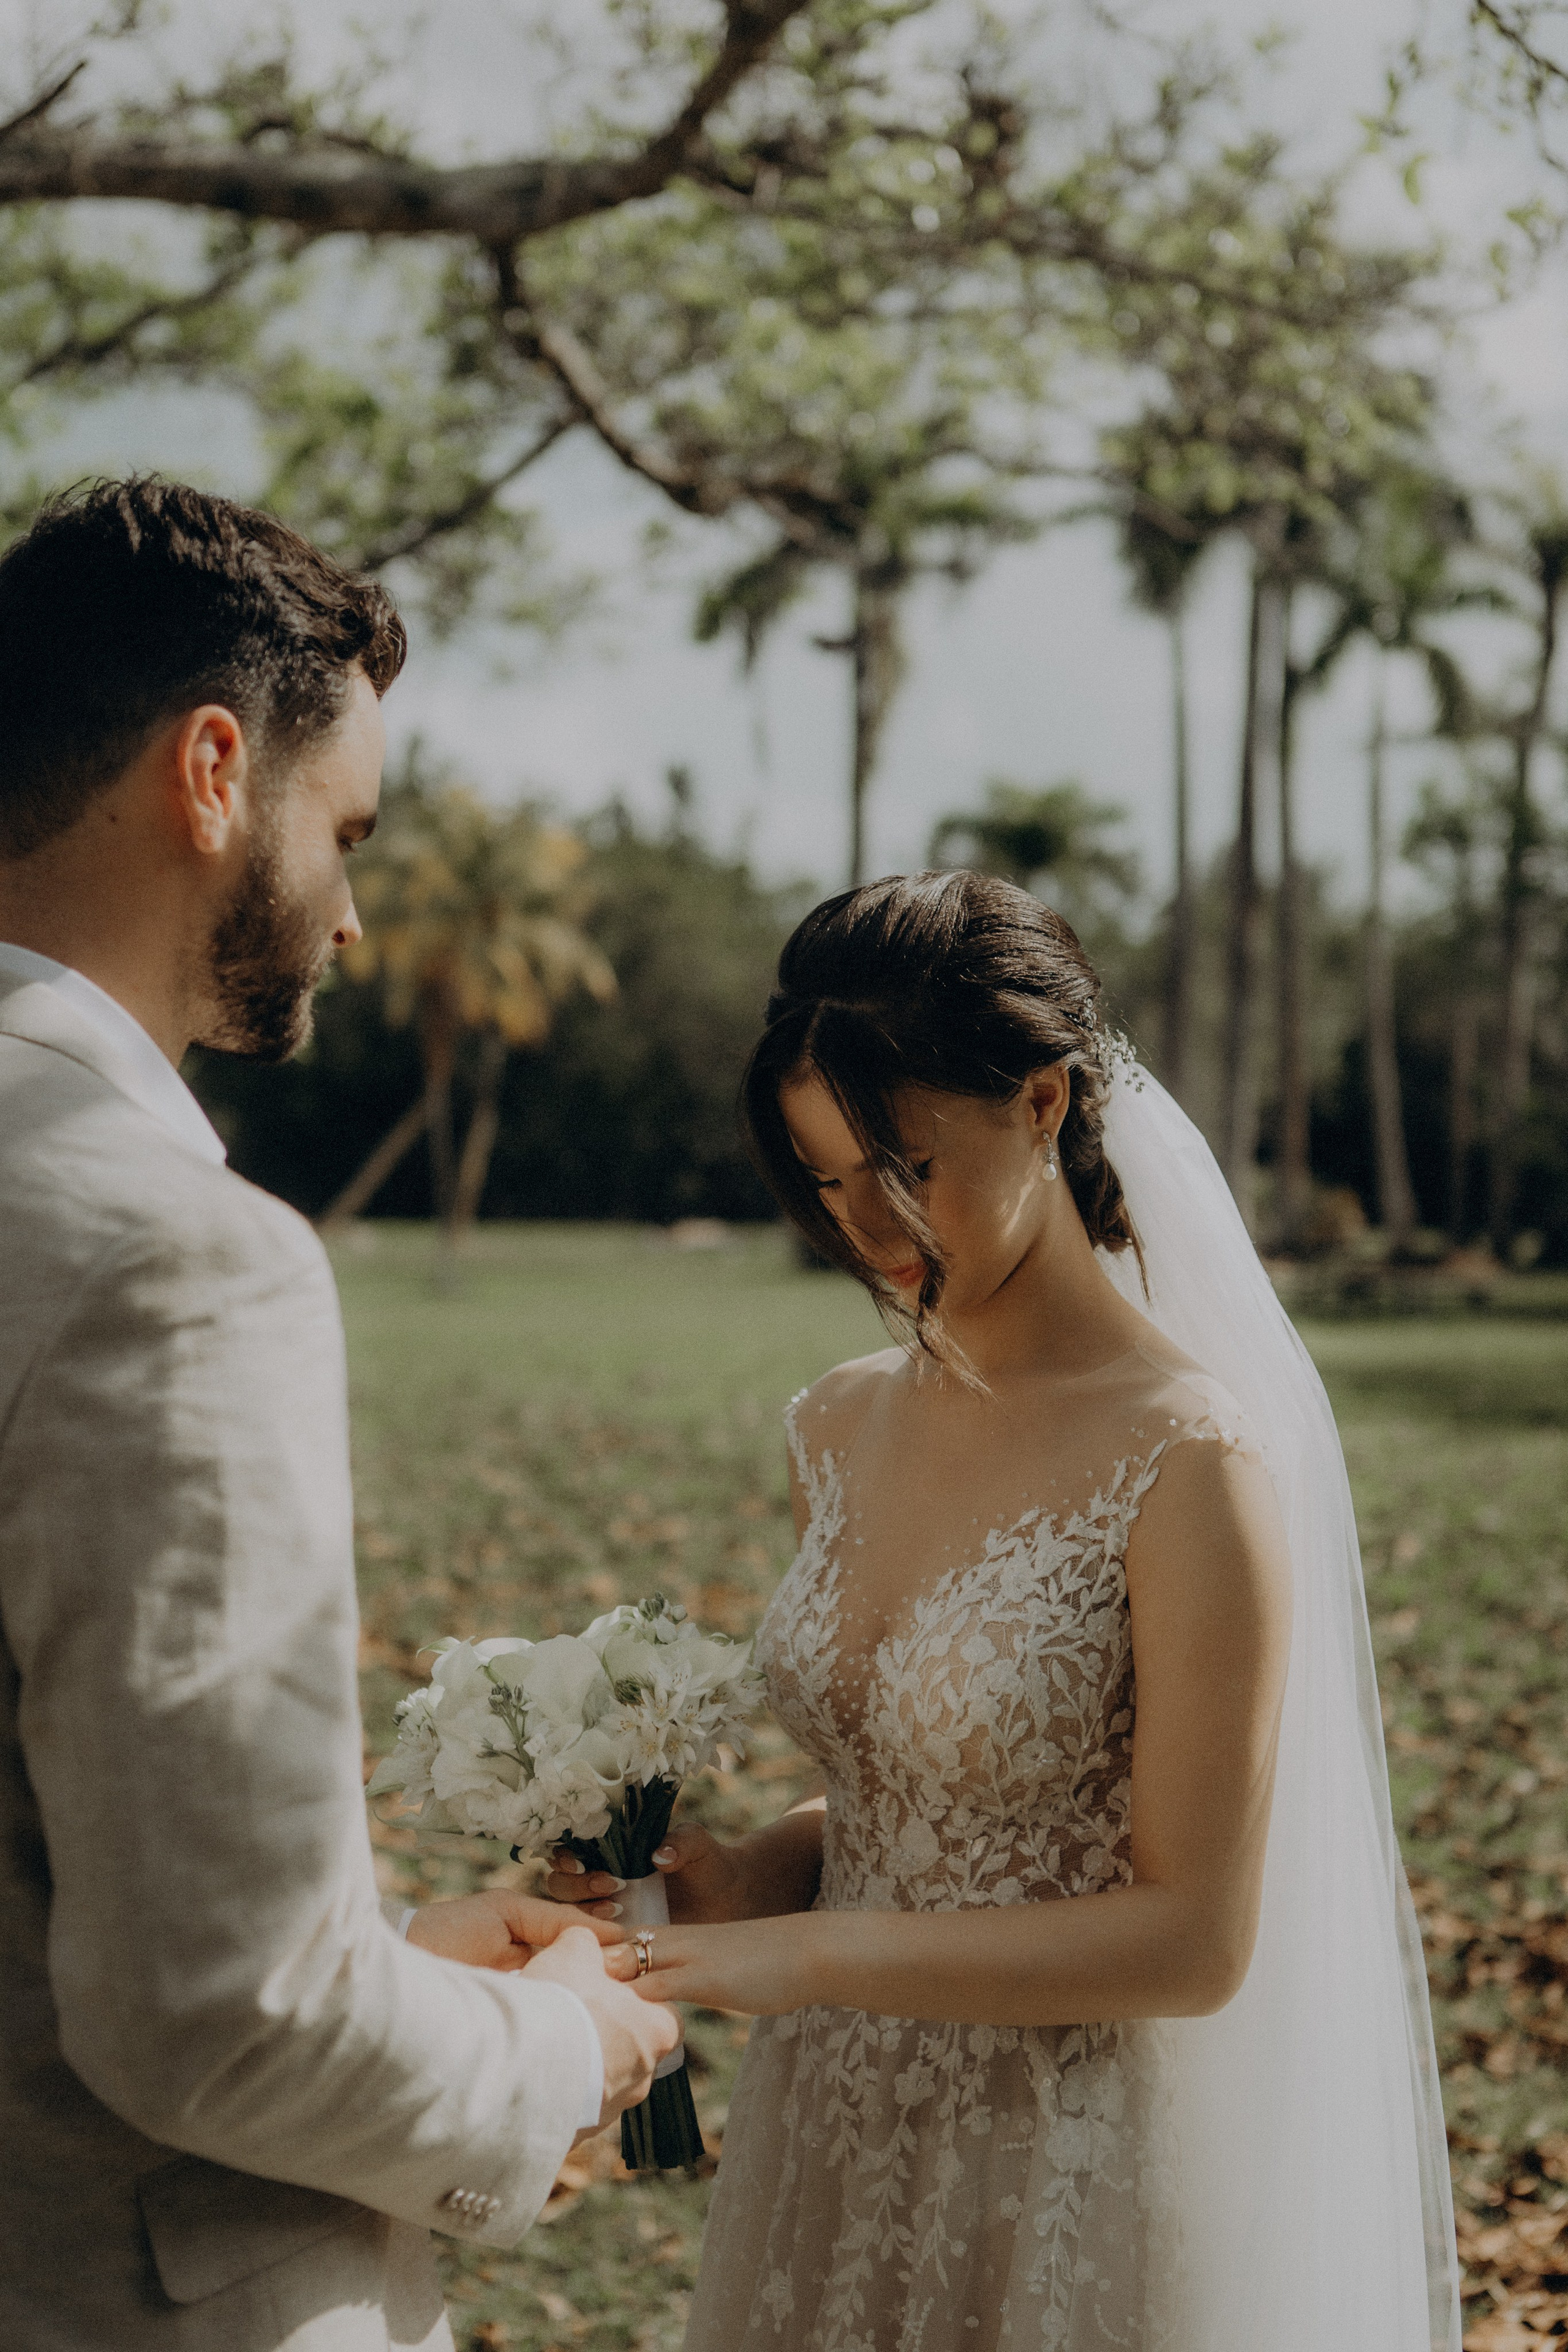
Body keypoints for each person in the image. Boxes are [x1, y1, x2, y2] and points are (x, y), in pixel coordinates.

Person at [551, 872, 1460, 2351]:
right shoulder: (836, 1426)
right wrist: (749, 1881)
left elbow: (1188, 1939)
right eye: (824, 1179)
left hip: (1058, 2161)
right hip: (830, 2137)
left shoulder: (1190, 1462)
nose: (867, 1229)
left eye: (903, 1167)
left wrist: (811, 1958)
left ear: (1042, 1104)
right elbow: (924, 1797)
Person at [0, 478, 679, 2352]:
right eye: (346, 827)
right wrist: (556, 2047)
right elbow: (221, 2017)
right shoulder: (168, 1260)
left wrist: (385, 1962)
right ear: (215, 771)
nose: (359, 914)